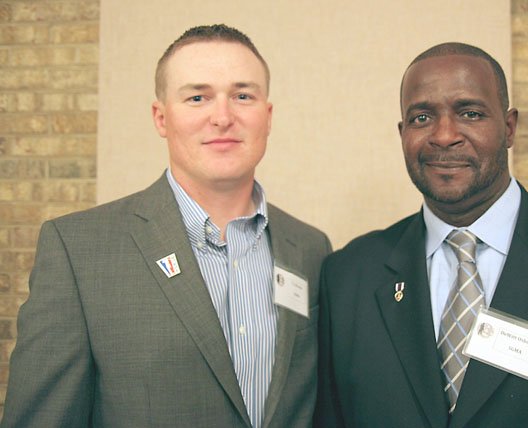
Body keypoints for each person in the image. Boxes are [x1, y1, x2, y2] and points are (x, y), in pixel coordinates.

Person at [315, 42, 528, 428]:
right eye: (421, 118)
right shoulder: (347, 277)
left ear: (509, 126)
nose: (444, 135)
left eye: (470, 113)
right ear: (402, 133)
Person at [2, 24, 331, 428]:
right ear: (161, 117)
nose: (223, 117)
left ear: (267, 115)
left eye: (242, 96)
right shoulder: (79, 251)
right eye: (197, 97)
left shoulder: (311, 249)